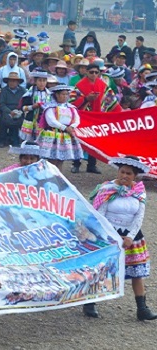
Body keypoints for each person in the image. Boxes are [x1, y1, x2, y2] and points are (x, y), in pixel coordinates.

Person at [86, 156, 156, 321]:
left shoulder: (139, 192)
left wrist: (130, 237)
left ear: (135, 176)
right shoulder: (107, 189)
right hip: (108, 235)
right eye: (122, 172)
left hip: (131, 238)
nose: (124, 176)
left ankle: (142, 308)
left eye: (129, 173)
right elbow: (99, 214)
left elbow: (139, 217)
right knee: (101, 268)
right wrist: (110, 235)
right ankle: (90, 302)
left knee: (136, 272)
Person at [36, 85, 82, 172]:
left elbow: (77, 120)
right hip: (53, 135)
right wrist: (65, 127)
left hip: (65, 135)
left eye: (66, 94)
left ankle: (58, 177)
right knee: (52, 159)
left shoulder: (71, 108)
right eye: (62, 94)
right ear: (57, 95)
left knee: (61, 159)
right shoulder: (50, 108)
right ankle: (50, 176)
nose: (65, 96)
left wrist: (71, 127)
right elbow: (51, 121)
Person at [19, 69, 51, 143]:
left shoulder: (49, 94)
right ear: (35, 81)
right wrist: (33, 107)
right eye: (40, 80)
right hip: (31, 119)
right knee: (29, 142)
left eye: (44, 80)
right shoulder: (30, 93)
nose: (42, 83)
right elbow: (23, 108)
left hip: (44, 120)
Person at [0, 72, 27, 147]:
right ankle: (2, 139)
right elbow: (2, 104)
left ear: (18, 82)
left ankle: (15, 139)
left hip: (18, 110)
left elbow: (25, 102)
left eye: (14, 81)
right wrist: (9, 112)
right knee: (5, 120)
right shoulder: (4, 90)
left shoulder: (23, 91)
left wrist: (19, 111)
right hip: (7, 110)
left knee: (18, 121)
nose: (12, 83)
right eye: (10, 81)